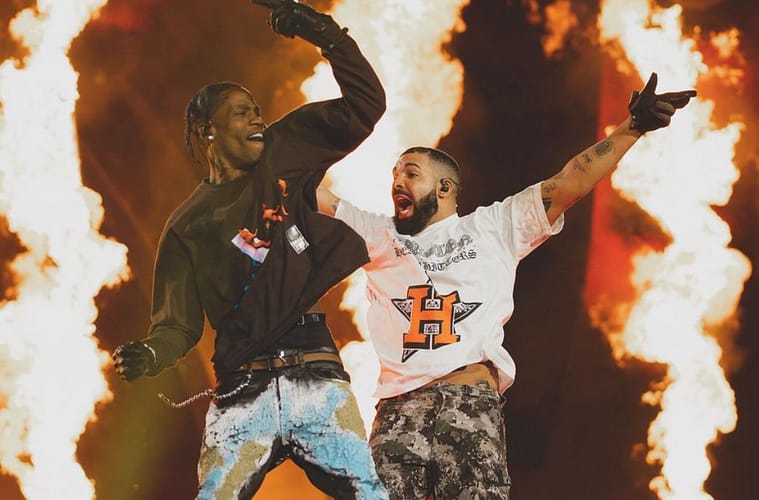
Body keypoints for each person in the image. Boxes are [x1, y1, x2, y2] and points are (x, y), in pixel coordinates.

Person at [315, 72, 696, 499]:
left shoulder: (495, 226)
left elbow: (569, 182)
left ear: (444, 187)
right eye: (394, 175)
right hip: (398, 413)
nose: (397, 182)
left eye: (411, 173)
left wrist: (632, 128)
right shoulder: (376, 233)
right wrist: (263, 153)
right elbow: (312, 194)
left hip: (468, 404)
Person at [111, 1, 389, 498]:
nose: (257, 118)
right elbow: (178, 327)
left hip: (316, 376)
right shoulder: (186, 226)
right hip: (242, 391)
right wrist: (152, 353)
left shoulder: (285, 150)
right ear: (209, 132)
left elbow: (365, 105)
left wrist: (324, 33)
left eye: (257, 110)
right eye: (242, 113)